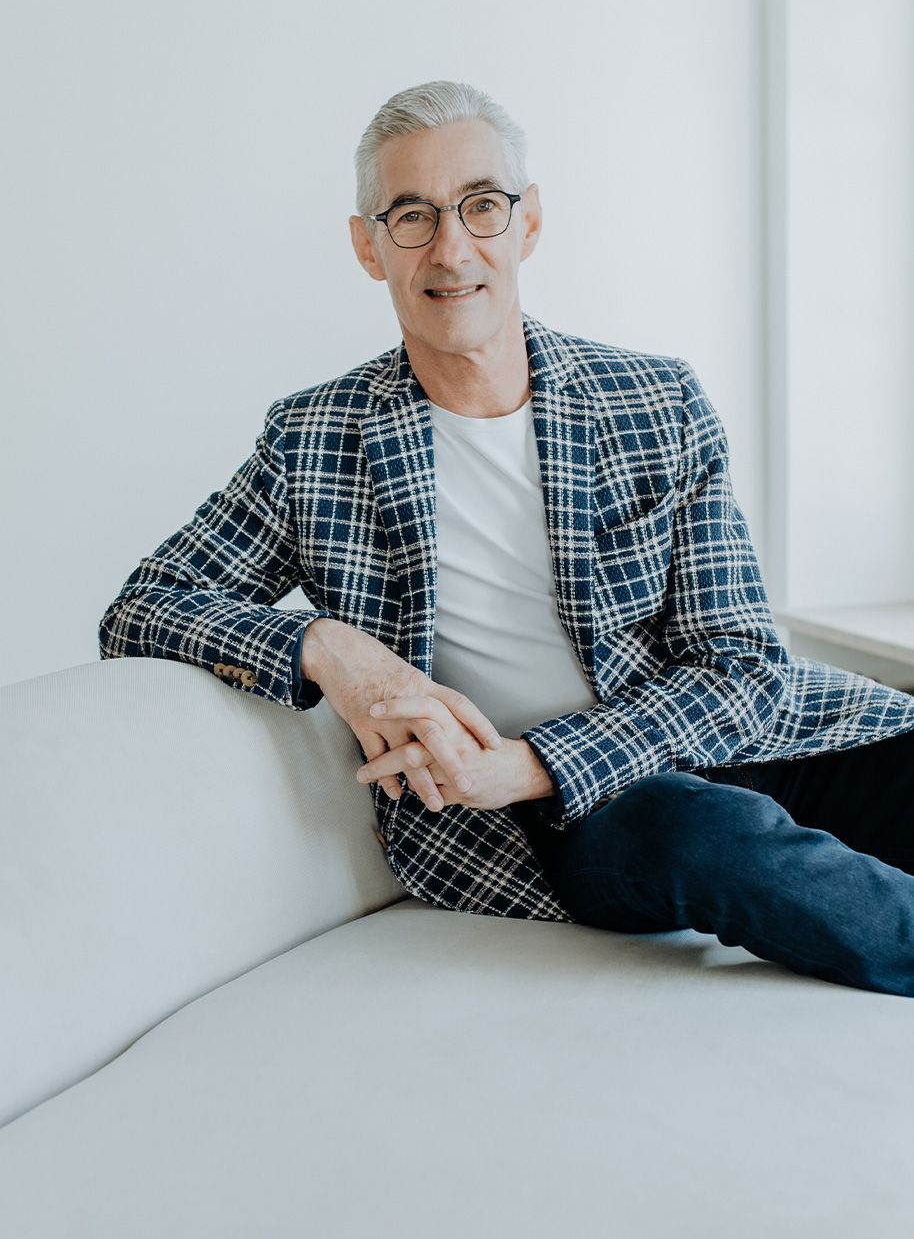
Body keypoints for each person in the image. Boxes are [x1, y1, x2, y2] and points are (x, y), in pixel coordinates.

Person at [100, 79, 914, 996]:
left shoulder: (656, 400)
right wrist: (327, 648)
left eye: (481, 205)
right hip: (592, 815)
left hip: (764, 742)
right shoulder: (315, 440)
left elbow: (743, 668)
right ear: (368, 245)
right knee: (704, 834)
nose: (451, 249)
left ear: (528, 222)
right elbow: (141, 608)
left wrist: (531, 760)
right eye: (412, 216)